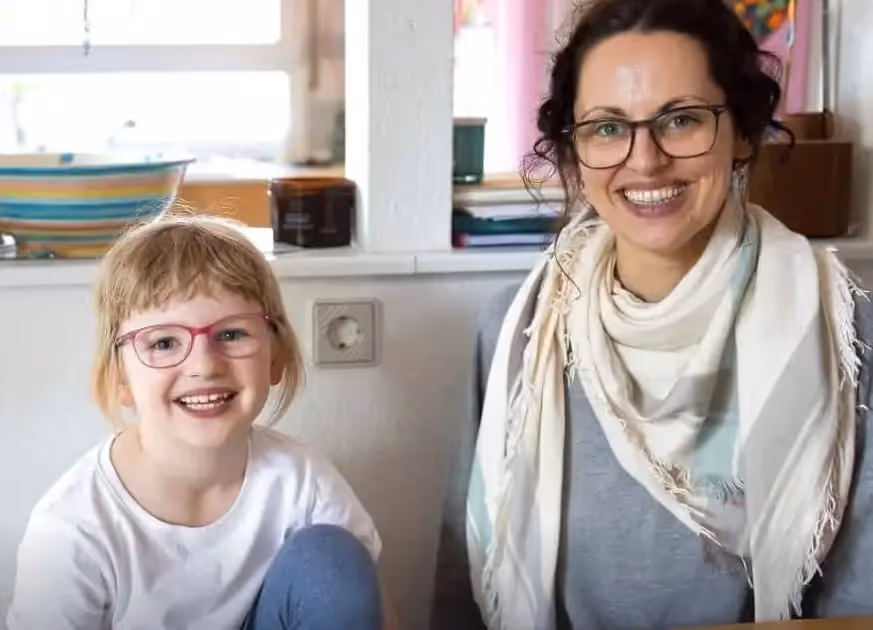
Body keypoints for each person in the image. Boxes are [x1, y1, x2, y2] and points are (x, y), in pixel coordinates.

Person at [431, 0, 873, 628]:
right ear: (574, 150)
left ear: (744, 132)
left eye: (682, 119)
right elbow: (460, 585)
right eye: (608, 128)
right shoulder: (519, 329)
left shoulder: (845, 331)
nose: (644, 161)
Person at [7, 211, 391, 630]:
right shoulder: (73, 528)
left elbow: (369, 613)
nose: (204, 365)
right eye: (164, 343)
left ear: (275, 358)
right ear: (121, 379)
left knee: (334, 561)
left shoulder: (302, 483)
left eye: (231, 334)